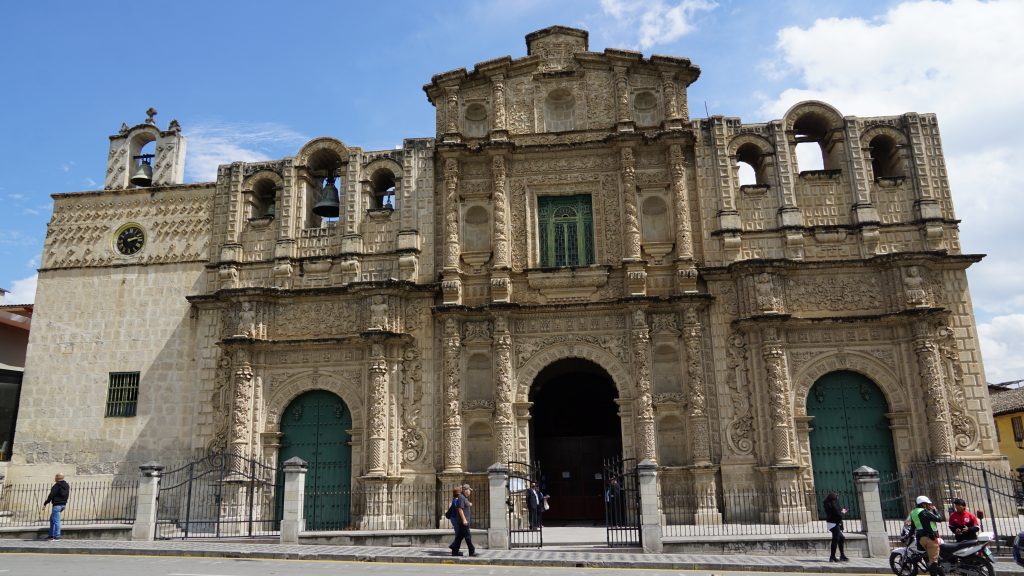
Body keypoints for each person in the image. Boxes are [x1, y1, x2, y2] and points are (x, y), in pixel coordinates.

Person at [911, 495, 946, 576]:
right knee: (934, 562)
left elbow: (912, 527)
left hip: (921, 539)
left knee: (934, 559)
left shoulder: (914, 512)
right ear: (923, 504)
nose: (930, 505)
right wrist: (935, 511)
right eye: (928, 504)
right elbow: (939, 519)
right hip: (930, 539)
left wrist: (909, 536)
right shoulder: (924, 512)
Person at [42, 473, 70, 541]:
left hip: (57, 505)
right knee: (52, 519)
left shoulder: (57, 485)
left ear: (57, 477)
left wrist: (46, 503)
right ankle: (51, 535)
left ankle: (57, 536)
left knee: (56, 521)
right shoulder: (66, 485)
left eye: (55, 477)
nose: (54, 478)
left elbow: (51, 495)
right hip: (63, 505)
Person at [450, 484, 475, 557]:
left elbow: (465, 506)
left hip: (463, 521)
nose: (470, 492)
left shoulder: (464, 498)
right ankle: (472, 551)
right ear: (465, 491)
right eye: (469, 490)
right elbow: (460, 509)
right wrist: (464, 520)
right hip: (463, 522)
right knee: (468, 536)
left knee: (459, 537)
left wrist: (469, 504)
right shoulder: (461, 498)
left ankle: (455, 551)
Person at [823, 492, 848, 562]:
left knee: (841, 538)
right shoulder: (832, 505)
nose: (837, 499)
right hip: (834, 524)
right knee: (835, 540)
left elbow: (839, 510)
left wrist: (843, 510)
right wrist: (845, 511)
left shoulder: (830, 504)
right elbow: (838, 514)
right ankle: (832, 557)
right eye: (836, 498)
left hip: (832, 524)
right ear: (833, 499)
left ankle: (842, 555)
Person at [446, 486, 462, 553]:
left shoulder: (456, 499)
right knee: (458, 534)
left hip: (455, 519)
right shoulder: (456, 500)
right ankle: (454, 548)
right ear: (458, 493)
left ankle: (453, 546)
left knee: (459, 534)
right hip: (455, 519)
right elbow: (457, 509)